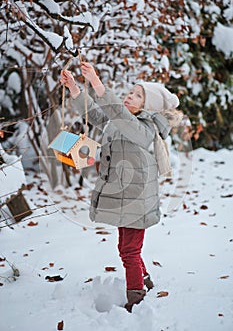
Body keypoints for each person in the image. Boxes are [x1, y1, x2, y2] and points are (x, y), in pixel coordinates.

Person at [60, 62, 182, 312]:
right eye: (131, 91)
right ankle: (145, 280)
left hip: (138, 200)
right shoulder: (120, 121)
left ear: (149, 107)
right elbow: (97, 114)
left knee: (128, 250)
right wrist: (74, 87)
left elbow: (117, 113)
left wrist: (96, 81)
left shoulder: (144, 129)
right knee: (127, 249)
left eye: (138, 95)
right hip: (124, 197)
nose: (130, 95)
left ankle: (135, 298)